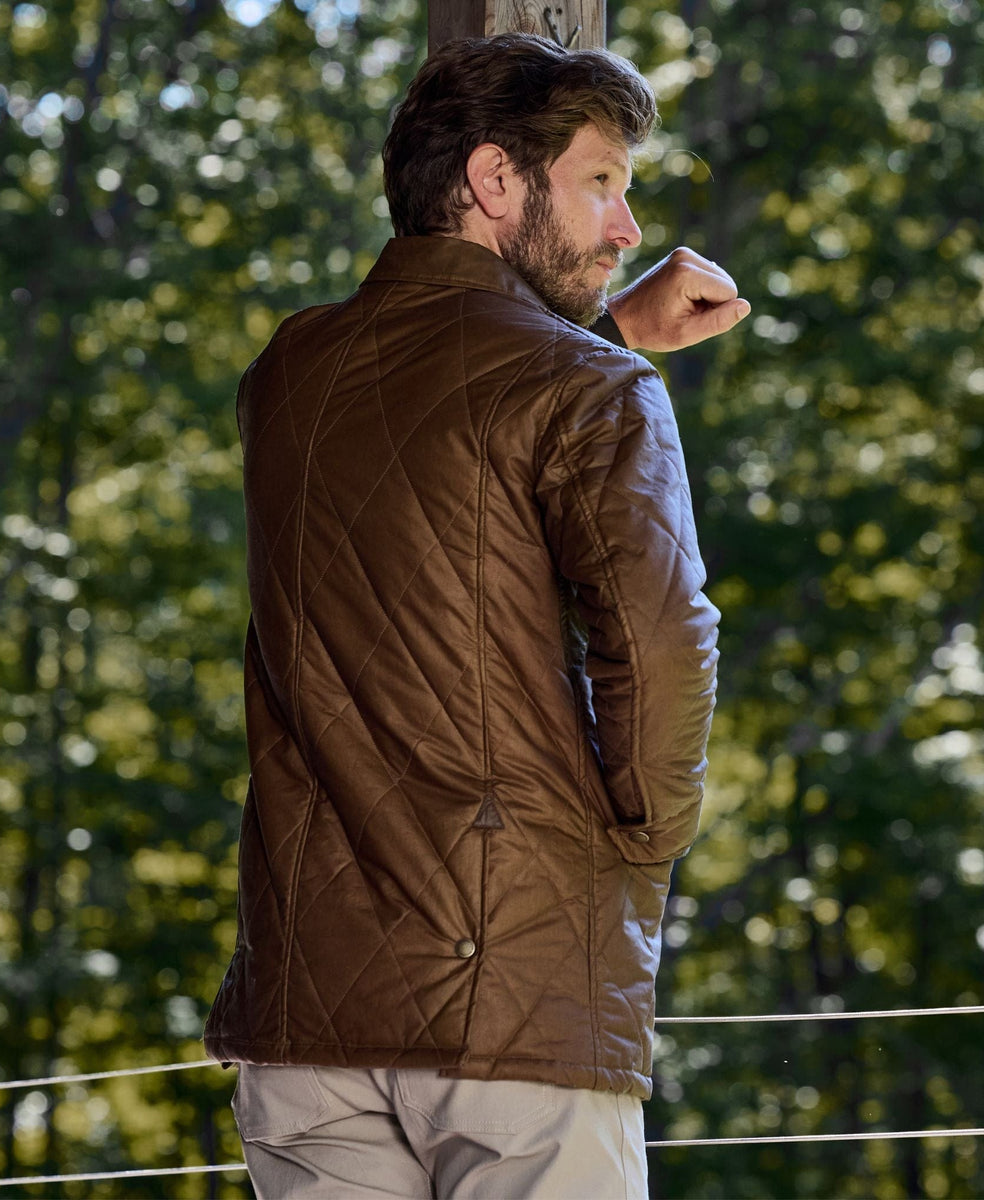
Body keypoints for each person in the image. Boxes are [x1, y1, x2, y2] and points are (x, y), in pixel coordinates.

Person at [204, 32, 749, 1199]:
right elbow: (661, 651)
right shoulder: (594, 395)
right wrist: (633, 848)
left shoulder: (288, 376)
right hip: (519, 1014)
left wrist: (602, 342)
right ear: (496, 180)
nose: (627, 226)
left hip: (307, 1023)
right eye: (602, 181)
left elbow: (438, 463)